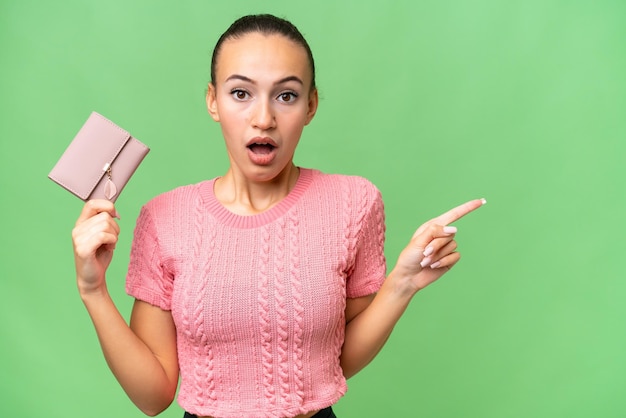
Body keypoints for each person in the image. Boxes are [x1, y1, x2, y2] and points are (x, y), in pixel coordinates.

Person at [71, 14, 485, 418]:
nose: (264, 118)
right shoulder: (164, 217)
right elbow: (153, 397)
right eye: (240, 93)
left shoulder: (353, 202)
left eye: (286, 95)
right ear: (213, 101)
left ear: (311, 105)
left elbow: (335, 363)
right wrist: (93, 290)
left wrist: (403, 283)